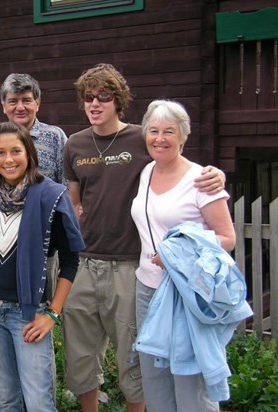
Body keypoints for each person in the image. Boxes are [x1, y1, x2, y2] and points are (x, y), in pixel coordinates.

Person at [62, 63, 226, 412]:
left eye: (104, 96)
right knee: (79, 356)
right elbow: (75, 202)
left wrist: (217, 174)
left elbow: (178, 165)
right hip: (84, 263)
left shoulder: (143, 137)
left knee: (134, 358)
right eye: (88, 97)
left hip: (128, 266)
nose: (95, 103)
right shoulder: (74, 144)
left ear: (118, 100)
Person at [0, 121, 85, 411]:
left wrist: (52, 314)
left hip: (27, 314)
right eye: (0, 153)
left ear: (29, 153)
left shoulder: (51, 196)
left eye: (15, 151)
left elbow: (70, 262)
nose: (8, 159)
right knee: (7, 400)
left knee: (39, 401)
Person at [130, 100, 236, 411]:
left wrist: (177, 254)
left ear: (183, 136)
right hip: (147, 290)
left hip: (187, 294)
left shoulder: (202, 179)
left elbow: (227, 239)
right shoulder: (147, 171)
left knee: (191, 381)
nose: (159, 138)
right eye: (153, 131)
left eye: (168, 132)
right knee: (155, 379)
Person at [0, 73, 68, 297]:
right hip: (1, 245)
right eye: (13, 101)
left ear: (37, 103)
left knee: (39, 303)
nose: (20, 107)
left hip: (43, 245)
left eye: (26, 100)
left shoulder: (55, 137)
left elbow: (64, 187)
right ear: (3, 106)